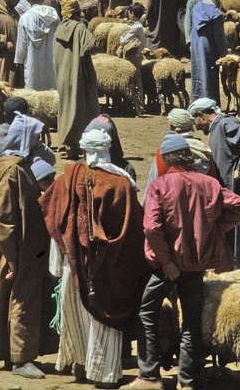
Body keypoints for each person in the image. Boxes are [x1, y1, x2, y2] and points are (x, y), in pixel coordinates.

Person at [127, 134, 240, 390]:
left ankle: (149, 377)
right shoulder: (209, 183)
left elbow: (151, 227)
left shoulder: (160, 185)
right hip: (196, 265)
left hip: (166, 267)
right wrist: (214, 230)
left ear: (167, 159)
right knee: (191, 322)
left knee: (147, 313)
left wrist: (166, 261)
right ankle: (187, 381)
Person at [40, 128, 148, 388]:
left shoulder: (67, 178)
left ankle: (79, 364)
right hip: (109, 266)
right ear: (108, 148)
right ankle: (104, 373)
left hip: (74, 262)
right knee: (103, 320)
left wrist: (61, 259)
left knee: (76, 315)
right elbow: (132, 229)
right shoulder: (121, 184)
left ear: (84, 149)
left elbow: (54, 219)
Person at [0, 112, 54, 379]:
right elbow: (5, 218)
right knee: (22, 299)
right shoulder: (12, 171)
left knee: (22, 298)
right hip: (18, 250)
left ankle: (17, 354)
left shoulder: (20, 166)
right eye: (36, 136)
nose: (39, 141)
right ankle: (21, 359)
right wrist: (12, 258)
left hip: (26, 247)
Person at [189, 98, 240, 283]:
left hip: (239, 191)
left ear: (201, 114)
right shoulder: (218, 127)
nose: (196, 127)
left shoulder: (226, 123)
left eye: (195, 121)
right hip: (230, 191)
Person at [54, 0, 100, 159]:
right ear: (75, 13)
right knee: (83, 110)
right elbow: (91, 45)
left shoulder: (59, 29)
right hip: (79, 75)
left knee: (66, 108)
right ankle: (84, 144)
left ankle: (68, 144)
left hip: (62, 76)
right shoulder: (79, 28)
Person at [190, 0, 228, 104]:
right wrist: (223, 54)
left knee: (198, 71)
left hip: (196, 46)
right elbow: (219, 36)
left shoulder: (195, 8)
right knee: (209, 74)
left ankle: (197, 101)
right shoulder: (216, 14)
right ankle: (210, 103)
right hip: (209, 47)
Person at [15, 0, 58, 90]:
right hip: (51, 59)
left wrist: (19, 61)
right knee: (51, 91)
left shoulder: (25, 18)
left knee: (33, 94)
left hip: (32, 60)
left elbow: (21, 44)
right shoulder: (54, 14)